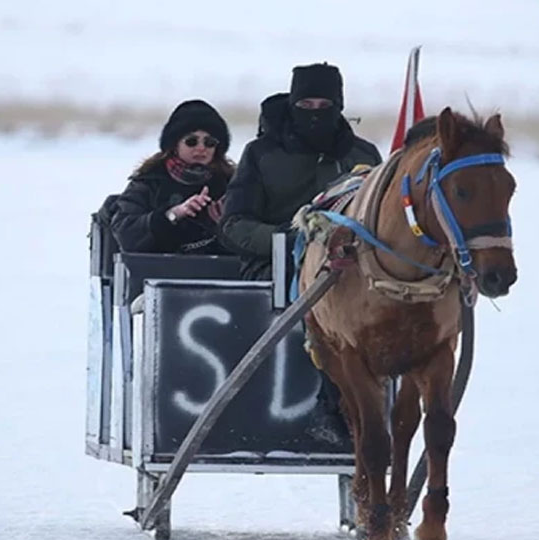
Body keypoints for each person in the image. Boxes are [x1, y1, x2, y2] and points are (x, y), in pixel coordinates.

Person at [219, 63, 383, 443]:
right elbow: (232, 225)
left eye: (324, 105)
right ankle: (333, 403)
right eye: (306, 105)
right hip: (273, 269)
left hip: (349, 268)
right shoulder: (262, 153)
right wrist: (292, 242)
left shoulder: (363, 155)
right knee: (323, 298)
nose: (315, 113)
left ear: (339, 106)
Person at [110, 100, 234, 255]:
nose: (201, 148)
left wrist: (227, 226)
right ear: (175, 145)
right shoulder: (150, 181)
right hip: (156, 268)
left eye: (209, 142)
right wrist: (173, 214)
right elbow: (126, 234)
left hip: (217, 269)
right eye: (191, 141)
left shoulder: (232, 184)